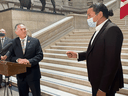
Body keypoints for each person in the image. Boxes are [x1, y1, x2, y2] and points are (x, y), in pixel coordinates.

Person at [66, 3, 124, 96]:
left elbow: (112, 62)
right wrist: (78, 55)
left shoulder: (112, 30)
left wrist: (103, 89)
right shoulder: (100, 29)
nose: (87, 18)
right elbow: (96, 51)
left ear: (100, 14)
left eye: (89, 15)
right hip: (96, 81)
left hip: (105, 85)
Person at [9, 23, 43, 96]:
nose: (24, 31)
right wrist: (18, 60)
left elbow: (40, 55)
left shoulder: (35, 41)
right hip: (21, 75)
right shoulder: (13, 42)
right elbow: (11, 56)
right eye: (21, 29)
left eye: (25, 29)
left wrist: (28, 61)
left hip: (33, 74)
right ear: (16, 32)